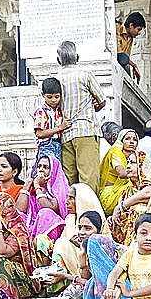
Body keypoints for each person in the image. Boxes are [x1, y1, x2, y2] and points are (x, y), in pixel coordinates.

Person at [57, 41, 106, 191]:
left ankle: (71, 212)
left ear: (59, 60)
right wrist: (93, 106)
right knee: (88, 178)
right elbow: (102, 101)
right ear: (77, 57)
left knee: (69, 179)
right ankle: (89, 212)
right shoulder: (85, 74)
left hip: (65, 134)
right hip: (85, 131)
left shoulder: (57, 77)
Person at [106, 152, 151, 246]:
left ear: (143, 165)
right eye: (127, 162)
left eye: (132, 162)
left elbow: (149, 194)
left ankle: (133, 248)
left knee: (138, 210)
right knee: (110, 221)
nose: (128, 166)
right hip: (130, 226)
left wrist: (122, 206)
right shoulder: (128, 190)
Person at [21, 154, 70, 242]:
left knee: (45, 213)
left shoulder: (58, 188)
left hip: (51, 226)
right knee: (19, 216)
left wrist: (37, 185)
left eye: (45, 167)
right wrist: (26, 187)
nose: (41, 170)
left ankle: (40, 247)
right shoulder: (32, 188)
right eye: (39, 166)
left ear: (53, 171)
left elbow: (48, 208)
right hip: (33, 224)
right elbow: (20, 209)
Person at [33, 77, 71, 162]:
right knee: (48, 169)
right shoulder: (41, 111)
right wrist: (60, 128)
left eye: (56, 97)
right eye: (49, 97)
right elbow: (39, 133)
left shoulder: (60, 108)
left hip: (59, 144)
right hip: (46, 145)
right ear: (43, 95)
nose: (53, 100)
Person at [116, 12, 146, 82]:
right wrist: (134, 65)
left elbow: (126, 60)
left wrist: (130, 80)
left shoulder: (130, 38)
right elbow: (121, 56)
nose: (139, 33)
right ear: (131, 25)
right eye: (138, 29)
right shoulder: (117, 28)